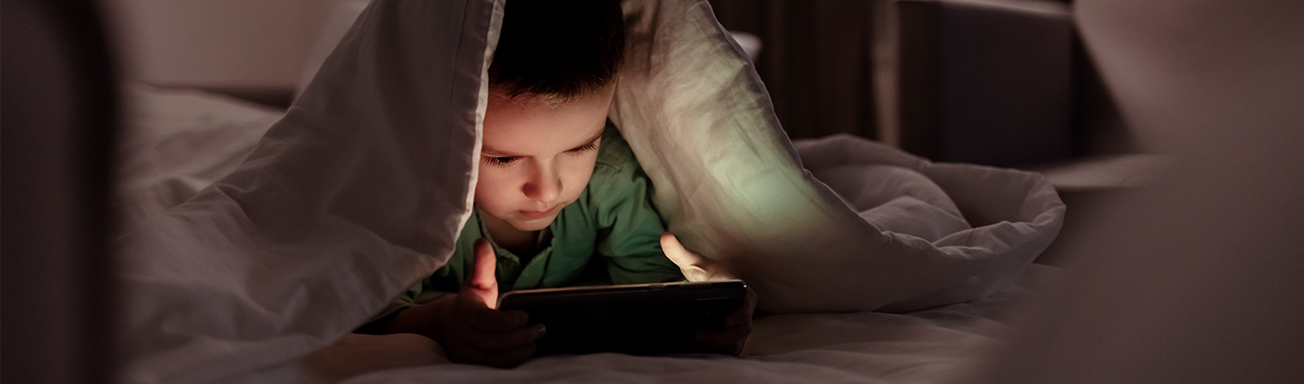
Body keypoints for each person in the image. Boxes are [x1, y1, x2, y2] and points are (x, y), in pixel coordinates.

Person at [360, 0, 756, 367]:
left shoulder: (611, 176)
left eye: (581, 146)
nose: (547, 191)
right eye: (504, 158)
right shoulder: (416, 195)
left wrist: (707, 309)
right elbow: (366, 310)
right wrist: (444, 322)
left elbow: (650, 287)